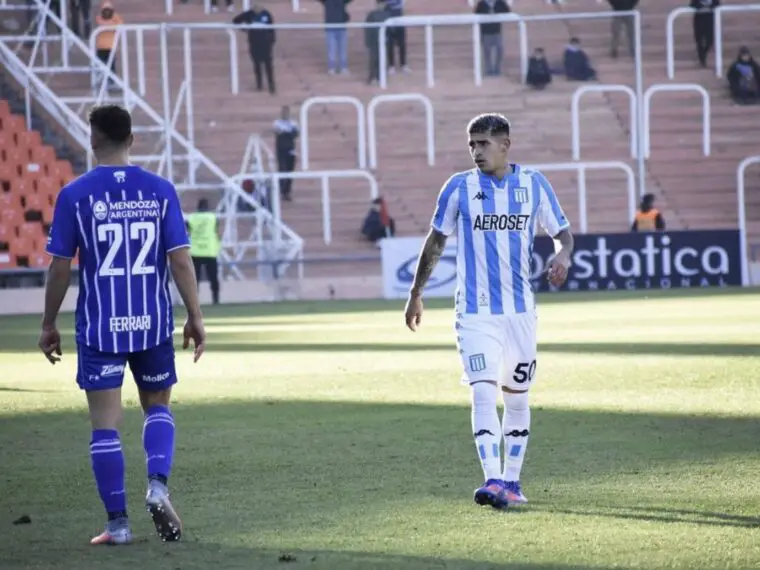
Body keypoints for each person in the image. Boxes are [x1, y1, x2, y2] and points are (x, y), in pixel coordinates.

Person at [39, 104, 206, 545]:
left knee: (105, 425)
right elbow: (180, 260)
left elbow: (59, 268)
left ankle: (118, 525)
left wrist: (48, 323)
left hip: (100, 327)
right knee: (158, 407)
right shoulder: (160, 190)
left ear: (92, 140)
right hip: (151, 322)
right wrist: (195, 314)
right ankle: (157, 486)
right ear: (133, 139)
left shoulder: (75, 194)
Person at [404, 113, 574, 510]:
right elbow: (436, 240)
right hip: (475, 314)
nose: (476, 151)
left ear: (505, 144)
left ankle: (512, 484)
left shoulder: (534, 185)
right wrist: (416, 292)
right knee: (482, 391)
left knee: (516, 399)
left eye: (483, 143)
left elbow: (562, 233)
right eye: (471, 144)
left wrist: (562, 255)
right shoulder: (459, 188)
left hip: (520, 314)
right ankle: (492, 479)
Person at [233, 4, 276, 94]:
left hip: (265, 43)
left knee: (268, 65)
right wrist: (244, 29)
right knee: (257, 64)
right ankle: (259, 85)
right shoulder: (249, 14)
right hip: (254, 43)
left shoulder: (266, 14)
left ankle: (271, 85)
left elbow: (272, 29)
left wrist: (272, 41)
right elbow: (235, 21)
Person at [187, 198, 222, 305]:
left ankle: (194, 301)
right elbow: (218, 232)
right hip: (210, 251)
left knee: (194, 279)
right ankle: (215, 299)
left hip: (195, 251)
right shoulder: (213, 218)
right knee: (213, 277)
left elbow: (187, 232)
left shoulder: (191, 218)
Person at [474, 0, 510, 77]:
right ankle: (489, 70)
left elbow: (508, 12)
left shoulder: (500, 2)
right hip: (486, 32)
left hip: (497, 31)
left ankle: (497, 69)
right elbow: (476, 15)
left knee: (500, 50)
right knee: (487, 52)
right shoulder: (481, 4)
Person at [318, 0, 352, 75]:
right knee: (337, 49)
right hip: (335, 26)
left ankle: (336, 68)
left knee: (336, 49)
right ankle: (337, 67)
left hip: (337, 26)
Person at [94, 1, 123, 89]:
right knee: (100, 65)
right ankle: (101, 81)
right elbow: (101, 23)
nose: (107, 12)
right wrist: (111, 24)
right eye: (105, 10)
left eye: (108, 10)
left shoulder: (116, 18)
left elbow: (120, 24)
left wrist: (112, 23)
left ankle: (111, 81)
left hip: (110, 47)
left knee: (111, 65)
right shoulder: (99, 17)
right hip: (100, 47)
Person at [273, 106, 299, 201]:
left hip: (290, 148)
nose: (285, 114)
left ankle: (287, 191)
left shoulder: (293, 123)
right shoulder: (277, 123)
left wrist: (286, 132)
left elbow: (296, 134)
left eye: (287, 112)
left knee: (290, 171)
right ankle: (281, 190)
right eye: (284, 112)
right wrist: (287, 132)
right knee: (282, 169)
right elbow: (277, 132)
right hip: (281, 149)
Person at [365, 0, 390, 85]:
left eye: (382, 4)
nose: (381, 5)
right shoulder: (371, 15)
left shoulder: (388, 15)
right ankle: (373, 77)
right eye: (379, 4)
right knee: (373, 59)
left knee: (382, 59)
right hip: (374, 41)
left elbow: (390, 30)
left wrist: (388, 39)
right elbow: (367, 29)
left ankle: (380, 77)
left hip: (383, 41)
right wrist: (367, 41)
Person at [690, 0, 719, 68]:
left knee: (710, 41)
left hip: (709, 21)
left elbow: (717, 5)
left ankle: (703, 55)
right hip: (699, 21)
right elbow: (692, 5)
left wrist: (710, 8)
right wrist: (700, 8)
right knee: (699, 41)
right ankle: (702, 59)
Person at [384, 0, 409, 74]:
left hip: (399, 17)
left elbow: (402, 3)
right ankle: (391, 66)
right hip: (388, 16)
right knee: (390, 44)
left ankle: (403, 65)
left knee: (402, 43)